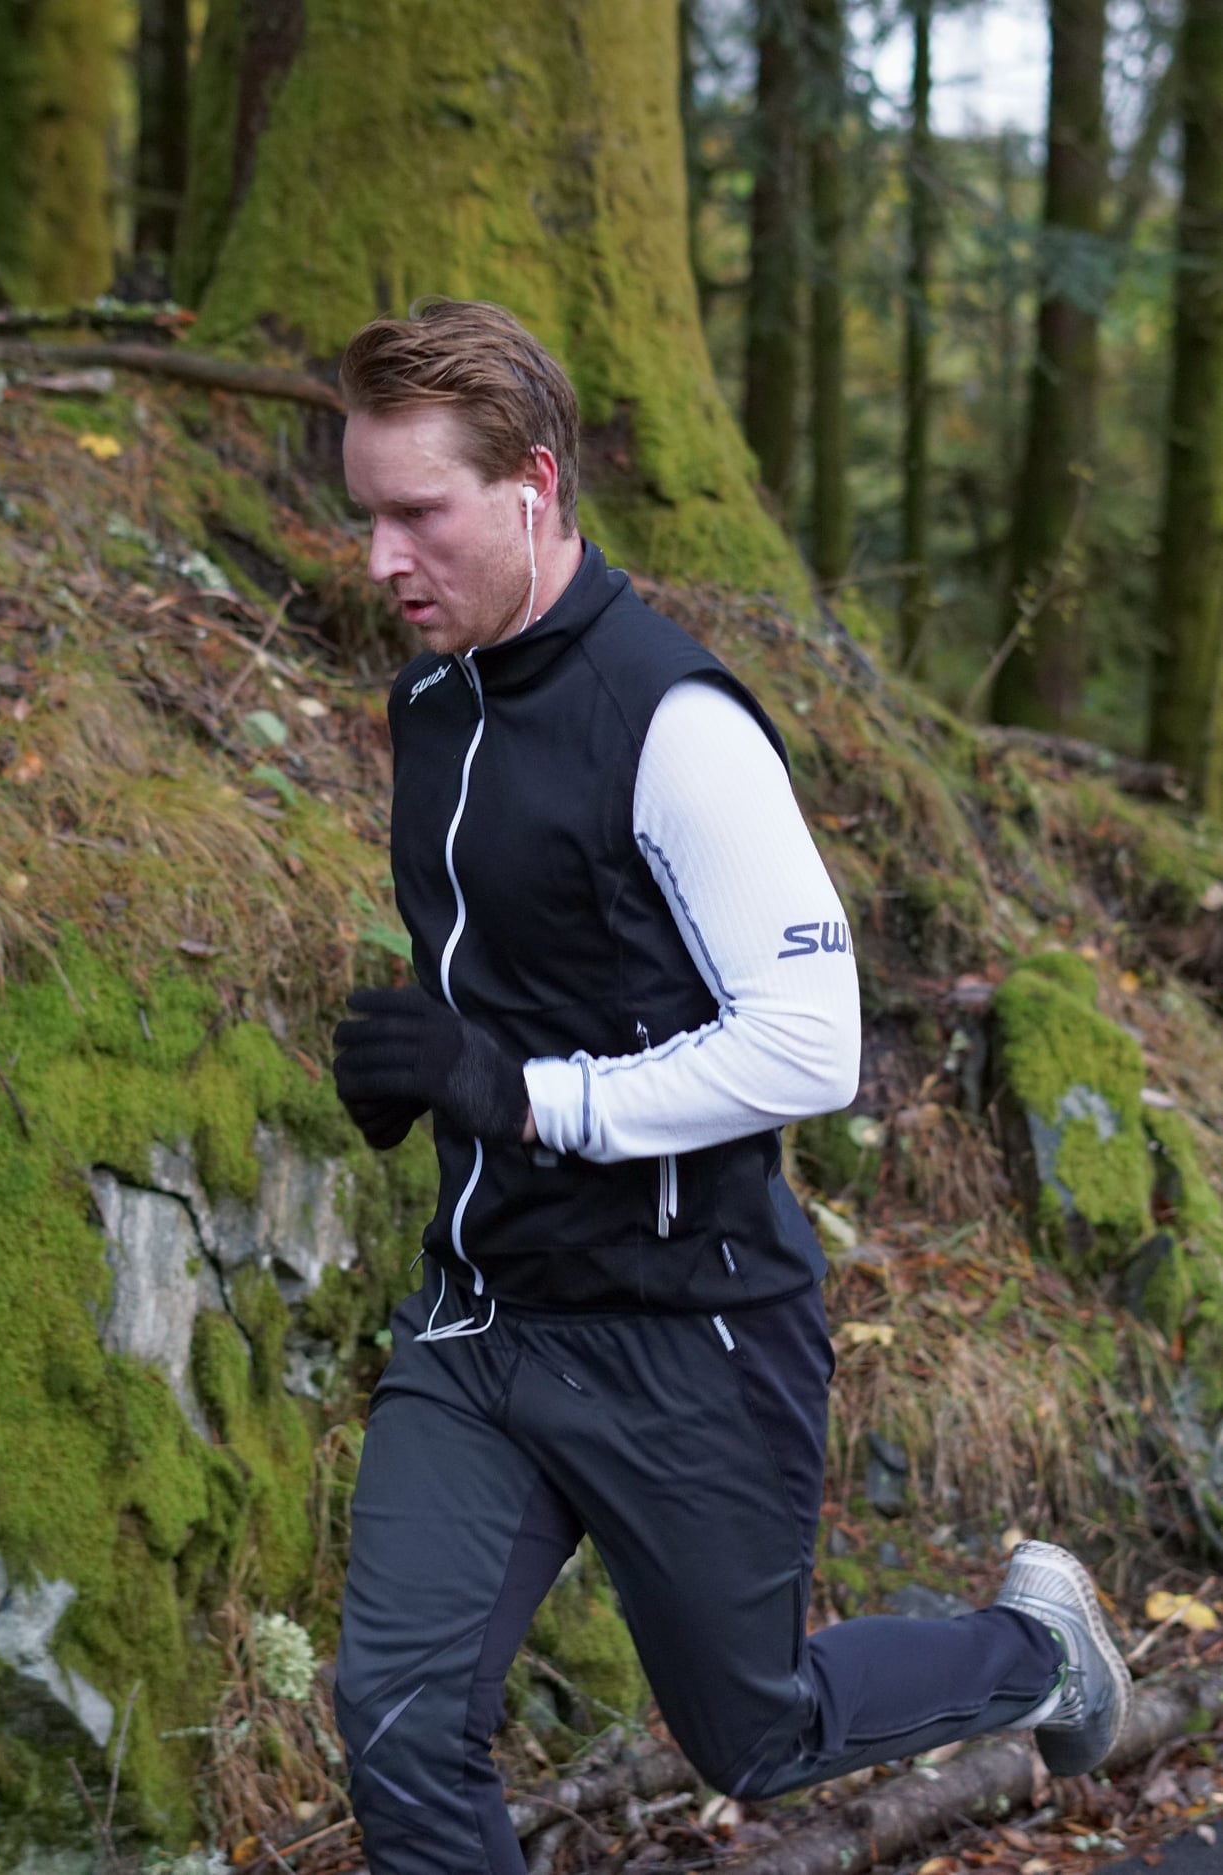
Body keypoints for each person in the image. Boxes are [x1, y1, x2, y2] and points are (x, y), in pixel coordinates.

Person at [329, 299, 1132, 1875]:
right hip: (483, 1315)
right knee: (399, 1723)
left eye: (416, 514)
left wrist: (525, 1097)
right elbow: (543, 975)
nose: (379, 559)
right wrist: (423, 1066)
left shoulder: (673, 722)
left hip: (677, 1330)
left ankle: (1036, 1654)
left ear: (533, 487)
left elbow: (807, 1042)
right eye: (365, 514)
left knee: (755, 1736)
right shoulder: (432, 705)